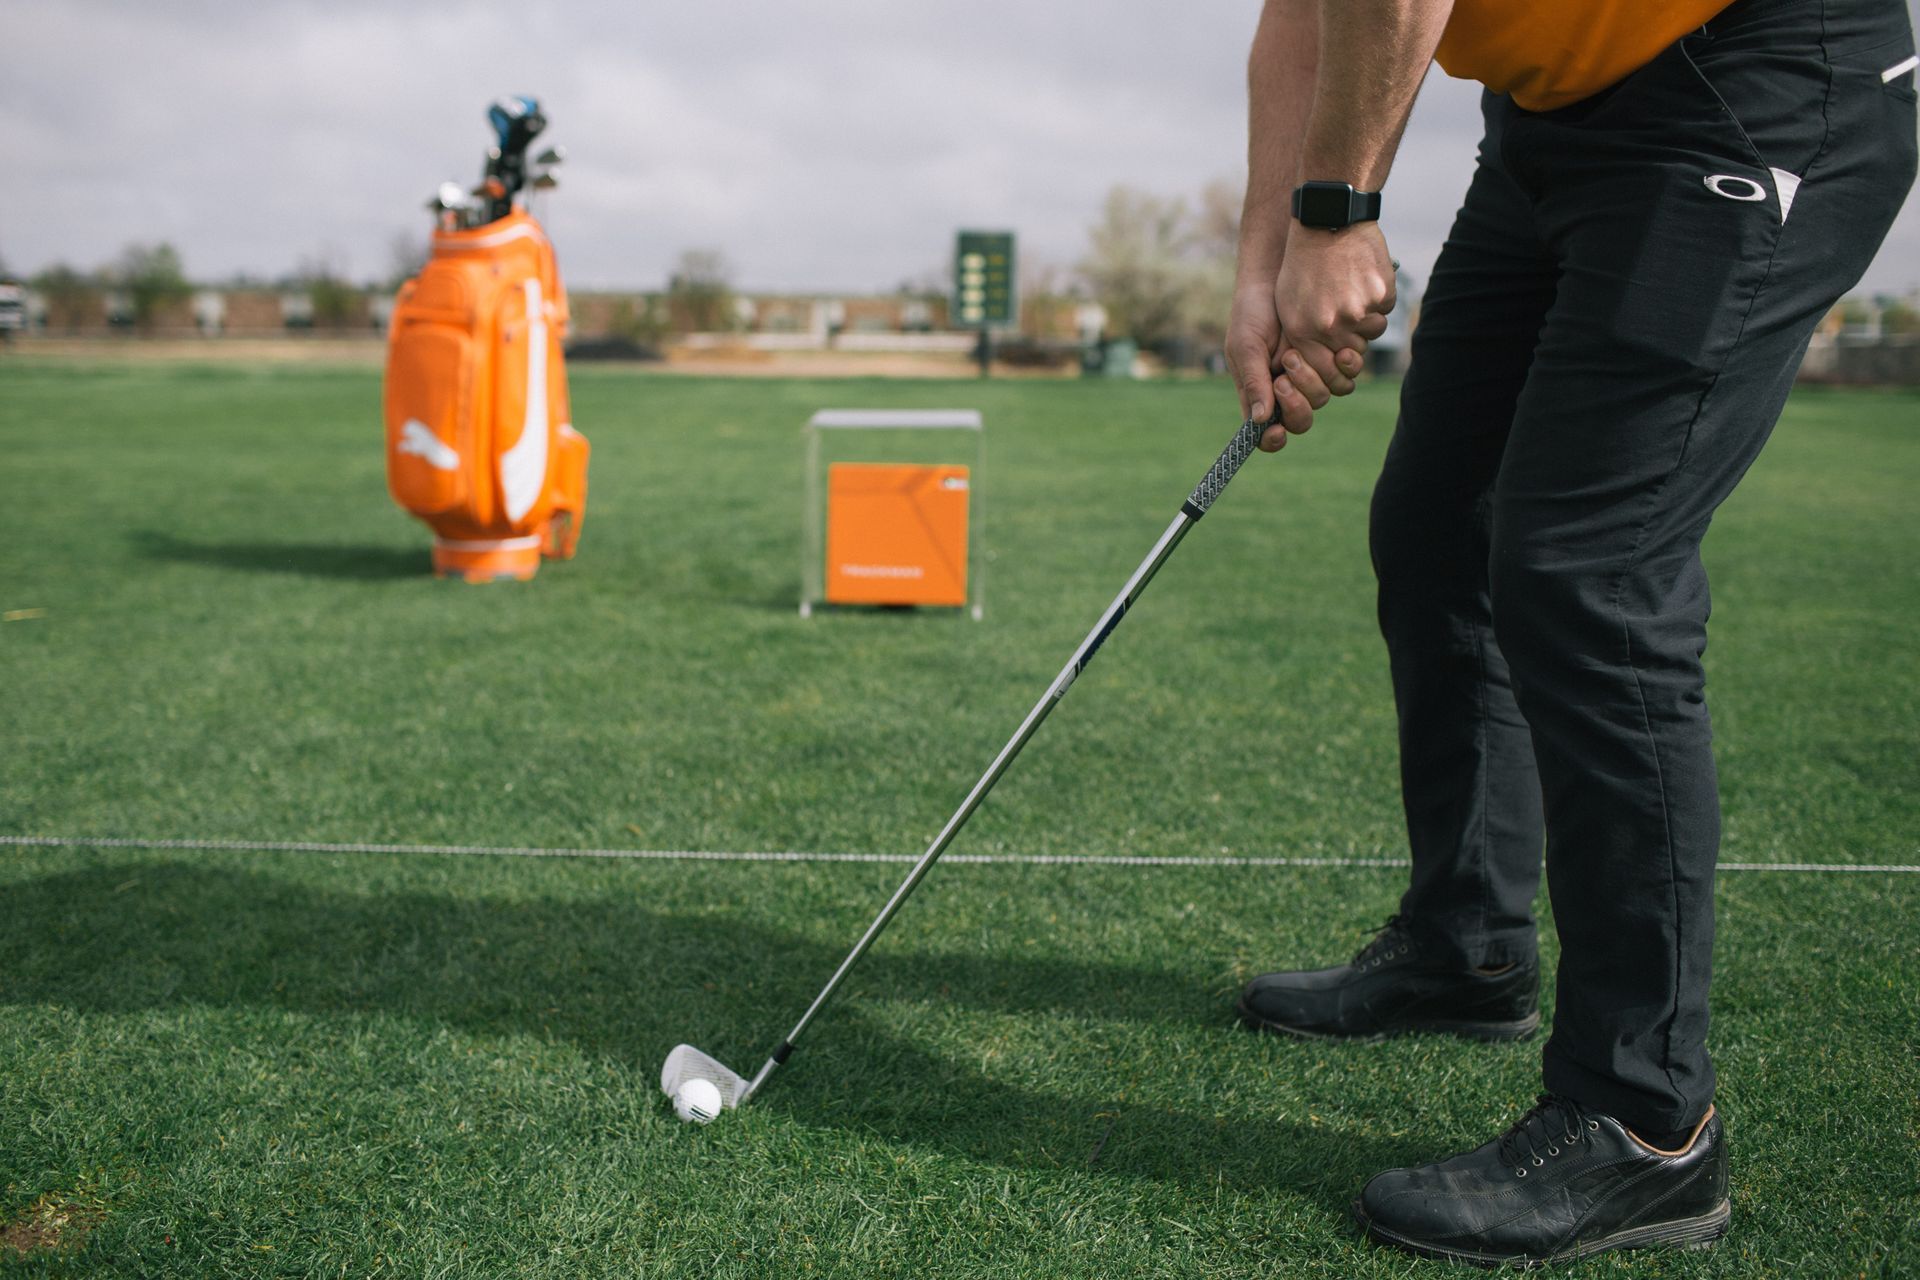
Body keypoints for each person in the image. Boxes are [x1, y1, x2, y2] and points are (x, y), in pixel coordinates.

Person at [1224, 0, 1915, 1266]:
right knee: (1439, 525)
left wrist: (1338, 211)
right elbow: (1302, 19)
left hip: (1754, 74)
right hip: (1551, 122)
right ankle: (1468, 946)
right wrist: (1263, 268)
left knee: (1591, 571)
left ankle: (1645, 1117)